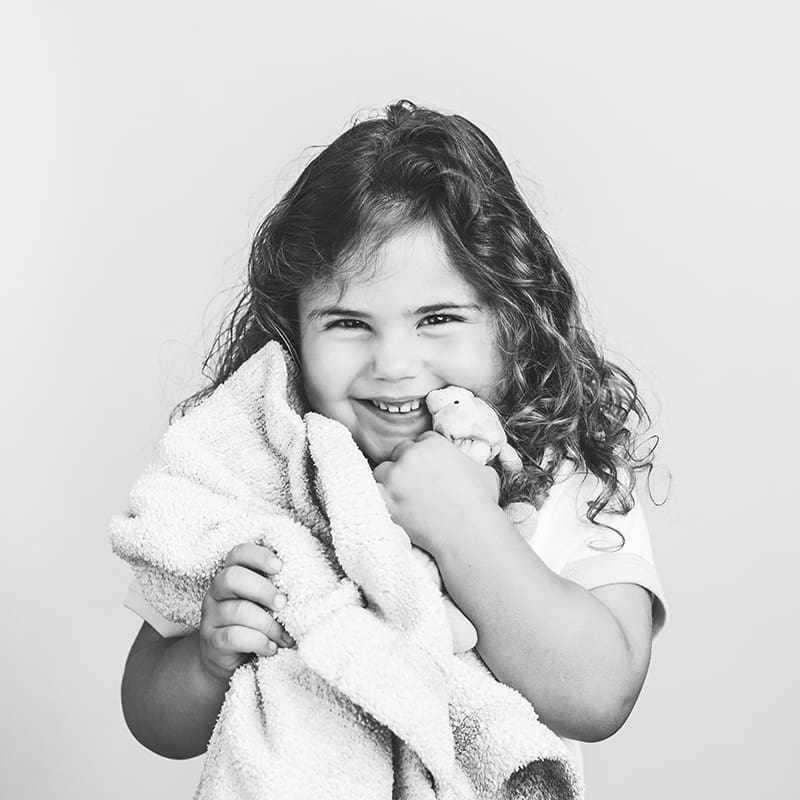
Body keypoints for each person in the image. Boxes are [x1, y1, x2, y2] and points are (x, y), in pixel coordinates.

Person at [120, 100, 667, 774]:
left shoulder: (562, 475)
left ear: (514, 320)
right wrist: (206, 659)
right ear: (294, 329)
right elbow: (152, 716)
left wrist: (466, 526)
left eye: (437, 317)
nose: (393, 364)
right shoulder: (262, 467)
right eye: (348, 323)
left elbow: (599, 694)